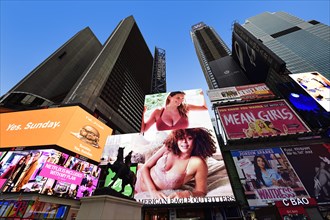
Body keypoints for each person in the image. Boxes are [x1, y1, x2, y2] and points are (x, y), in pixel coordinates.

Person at [135, 128, 216, 199]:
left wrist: (187, 194)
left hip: (139, 191)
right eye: (181, 138)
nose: (184, 142)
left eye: (189, 138)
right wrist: (153, 191)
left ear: (197, 140)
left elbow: (201, 192)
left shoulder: (197, 163)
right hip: (135, 173)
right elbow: (144, 167)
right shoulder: (168, 147)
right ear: (176, 139)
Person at [141, 91, 207, 133]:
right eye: (178, 98)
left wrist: (204, 95)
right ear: (169, 97)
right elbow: (143, 130)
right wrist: (142, 113)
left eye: (182, 99)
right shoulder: (157, 112)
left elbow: (205, 108)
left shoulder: (185, 108)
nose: (180, 101)